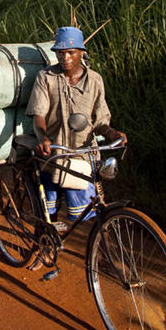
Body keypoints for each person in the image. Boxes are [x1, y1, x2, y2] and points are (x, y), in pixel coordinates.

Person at [26, 25, 126, 231]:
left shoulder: (95, 80)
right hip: (53, 154)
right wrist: (42, 137)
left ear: (82, 52)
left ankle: (99, 250)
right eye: (60, 53)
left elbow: (100, 121)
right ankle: (41, 246)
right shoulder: (46, 78)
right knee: (48, 211)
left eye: (71, 52)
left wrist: (111, 133)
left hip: (82, 156)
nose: (66, 58)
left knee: (89, 213)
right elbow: (38, 114)